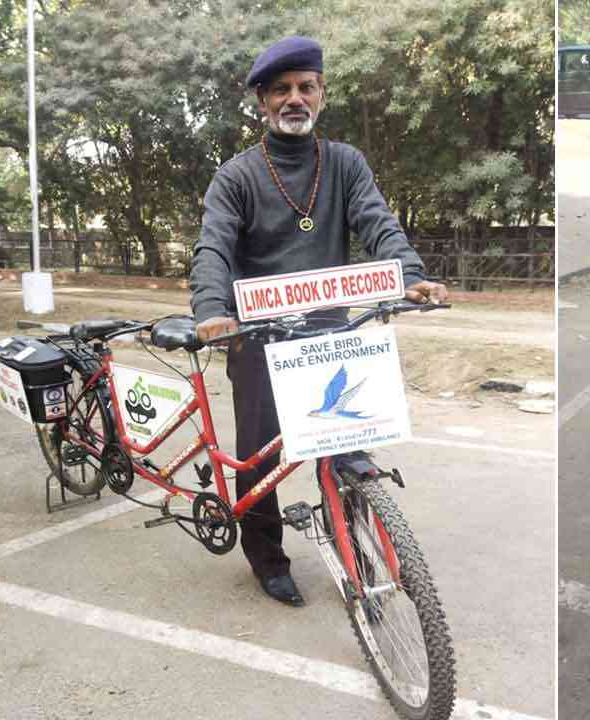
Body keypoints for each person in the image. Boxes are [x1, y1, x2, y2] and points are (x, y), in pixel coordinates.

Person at [189, 36, 448, 605]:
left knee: (346, 436)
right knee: (261, 452)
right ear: (262, 101)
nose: (294, 98)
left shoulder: (346, 163)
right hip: (256, 336)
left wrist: (410, 274)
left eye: (306, 87)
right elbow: (213, 249)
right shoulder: (236, 176)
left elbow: (377, 221)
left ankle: (357, 548)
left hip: (330, 330)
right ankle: (267, 559)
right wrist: (211, 310)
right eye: (281, 90)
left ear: (322, 94)